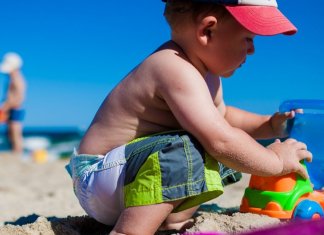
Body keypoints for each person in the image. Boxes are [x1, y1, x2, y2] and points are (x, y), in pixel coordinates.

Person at [66, 0, 313, 234]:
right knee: (204, 146)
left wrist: (268, 125)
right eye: (248, 38)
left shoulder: (207, 76)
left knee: (220, 144)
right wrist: (275, 161)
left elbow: (223, 117)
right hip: (99, 177)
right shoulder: (172, 67)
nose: (252, 49)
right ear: (207, 30)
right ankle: (129, 230)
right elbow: (221, 140)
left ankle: (170, 219)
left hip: (126, 179)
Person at [0, 52, 26, 154]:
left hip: (15, 108)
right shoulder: (12, 79)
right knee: (11, 133)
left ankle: (17, 152)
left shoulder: (17, 79)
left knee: (15, 133)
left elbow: (19, 97)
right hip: (11, 108)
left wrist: (5, 107)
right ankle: (14, 151)